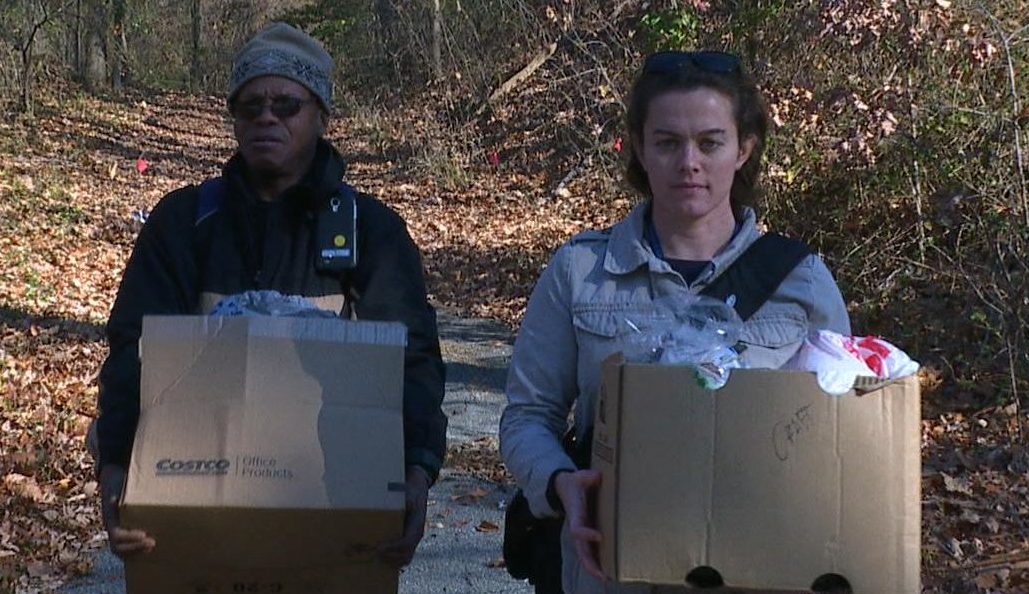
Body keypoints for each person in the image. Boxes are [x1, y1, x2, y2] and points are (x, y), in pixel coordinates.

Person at [94, 22, 447, 568]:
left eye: (286, 104)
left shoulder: (371, 233)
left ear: (320, 115)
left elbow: (413, 361)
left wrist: (417, 472)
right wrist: (115, 467)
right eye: (250, 105)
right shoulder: (182, 224)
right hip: (196, 523)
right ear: (233, 118)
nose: (266, 117)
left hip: (331, 512)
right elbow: (130, 350)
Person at [499, 50, 851, 594]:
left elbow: (841, 437)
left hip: (757, 571)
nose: (689, 162)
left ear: (743, 149)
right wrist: (559, 483)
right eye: (667, 142)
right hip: (610, 571)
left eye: (710, 142)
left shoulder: (800, 283)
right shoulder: (582, 271)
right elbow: (527, 415)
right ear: (640, 149)